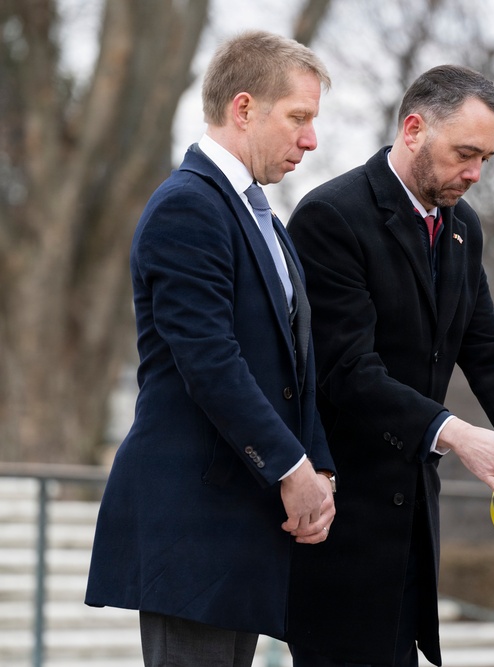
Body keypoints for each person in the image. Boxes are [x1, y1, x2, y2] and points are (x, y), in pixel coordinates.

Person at [85, 30, 337, 667]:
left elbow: (294, 362)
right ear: (244, 108)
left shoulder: (264, 219)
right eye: (299, 118)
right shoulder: (186, 207)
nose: (310, 139)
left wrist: (320, 467)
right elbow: (210, 361)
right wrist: (290, 468)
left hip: (239, 523)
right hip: (192, 525)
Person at [282, 64, 494, 667]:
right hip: (343, 524)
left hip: (412, 528)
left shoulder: (463, 229)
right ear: (414, 128)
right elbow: (347, 371)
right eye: (465, 153)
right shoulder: (332, 217)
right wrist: (455, 434)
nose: (475, 173)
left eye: (486, 158)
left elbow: (488, 348)